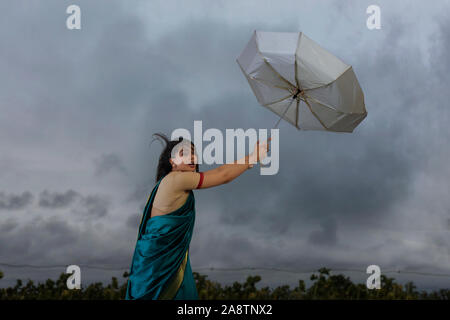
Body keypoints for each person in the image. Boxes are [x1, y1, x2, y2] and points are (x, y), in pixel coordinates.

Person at [125, 133, 271, 300]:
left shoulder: (169, 183)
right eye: (183, 153)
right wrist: (254, 157)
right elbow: (223, 175)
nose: (192, 156)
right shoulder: (176, 179)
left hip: (162, 263)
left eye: (193, 153)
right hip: (161, 268)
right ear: (172, 162)